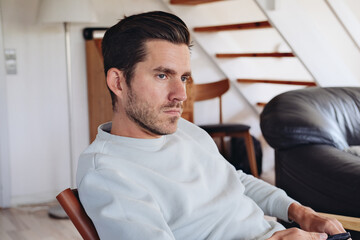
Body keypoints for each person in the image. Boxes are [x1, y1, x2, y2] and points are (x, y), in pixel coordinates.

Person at [76, 11, 346, 240]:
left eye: (183, 77)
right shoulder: (108, 173)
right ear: (118, 82)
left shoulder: (184, 129)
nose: (180, 94)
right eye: (162, 75)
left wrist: (301, 213)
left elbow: (234, 180)